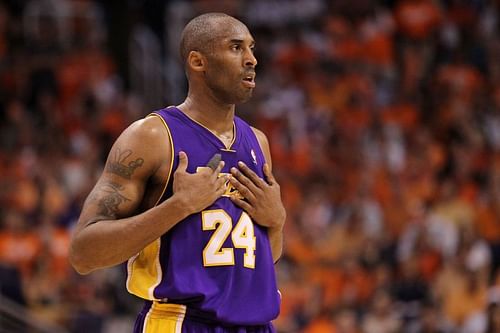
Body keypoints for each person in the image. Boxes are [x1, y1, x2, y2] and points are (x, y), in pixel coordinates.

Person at [69, 12, 286, 333]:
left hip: (255, 325)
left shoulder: (258, 142)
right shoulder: (152, 137)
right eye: (236, 48)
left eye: (252, 48)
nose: (252, 59)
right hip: (182, 322)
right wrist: (178, 206)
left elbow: (262, 260)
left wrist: (277, 222)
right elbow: (84, 254)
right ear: (198, 61)